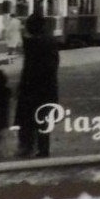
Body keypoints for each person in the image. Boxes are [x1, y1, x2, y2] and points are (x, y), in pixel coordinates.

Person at [15, 13, 60, 158]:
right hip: (47, 88)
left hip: (30, 88)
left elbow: (28, 68)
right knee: (44, 120)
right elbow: (53, 65)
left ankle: (27, 146)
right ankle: (43, 149)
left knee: (26, 119)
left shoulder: (30, 44)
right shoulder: (51, 42)